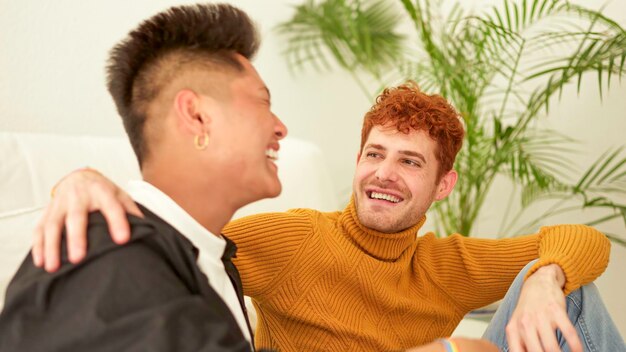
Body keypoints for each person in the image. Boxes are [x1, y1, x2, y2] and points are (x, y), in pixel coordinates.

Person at [28, 83, 624, 351]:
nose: (383, 174)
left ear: (444, 185)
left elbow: (584, 240)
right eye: (374, 154)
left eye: (409, 162)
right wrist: (82, 179)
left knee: (571, 293)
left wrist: (545, 280)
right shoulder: (297, 240)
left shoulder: (449, 264)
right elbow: (176, 236)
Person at [0, 3, 288, 351]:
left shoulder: (211, 260)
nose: (280, 127)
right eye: (263, 102)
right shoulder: (106, 253)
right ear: (196, 117)